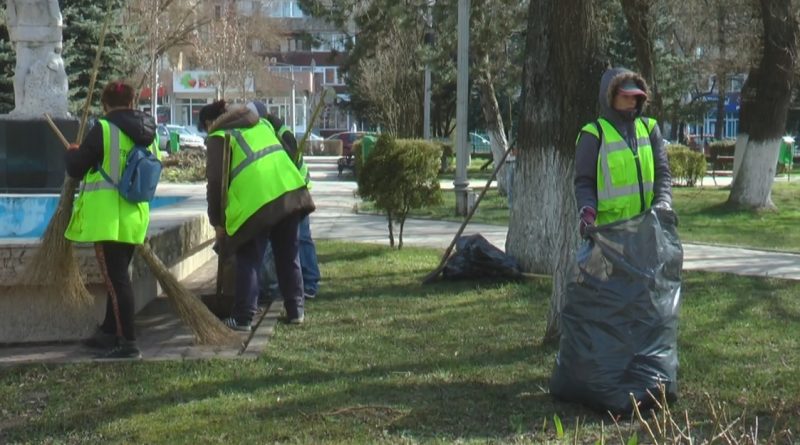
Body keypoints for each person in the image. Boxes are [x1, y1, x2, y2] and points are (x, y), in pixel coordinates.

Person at [199, 100, 314, 331]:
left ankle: (242, 318)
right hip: (289, 190)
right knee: (288, 254)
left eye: (204, 128)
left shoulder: (219, 135)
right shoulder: (260, 124)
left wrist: (217, 222)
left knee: (248, 257)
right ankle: (296, 310)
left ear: (210, 122)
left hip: (258, 200)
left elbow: (215, 183)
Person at [64, 80, 159, 359]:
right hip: (134, 216)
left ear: (105, 105)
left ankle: (127, 343)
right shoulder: (148, 133)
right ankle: (108, 332)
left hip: (107, 218)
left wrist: (72, 152)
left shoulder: (103, 130)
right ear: (132, 103)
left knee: (117, 281)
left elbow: (77, 167)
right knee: (117, 279)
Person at [574, 67, 672, 236]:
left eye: (636, 97)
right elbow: (584, 182)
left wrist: (663, 201)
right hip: (611, 235)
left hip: (648, 231)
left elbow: (662, 172)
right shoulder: (594, 134)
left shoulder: (650, 129)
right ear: (610, 97)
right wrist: (587, 213)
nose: (632, 101)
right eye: (625, 96)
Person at [245, 101, 321, 301]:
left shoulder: (278, 133)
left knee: (301, 238)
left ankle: (310, 282)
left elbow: (287, 160)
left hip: (296, 188)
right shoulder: (272, 130)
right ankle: (295, 285)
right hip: (287, 189)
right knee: (293, 241)